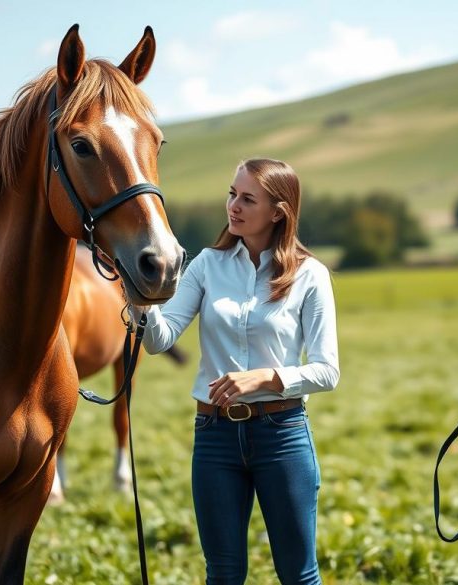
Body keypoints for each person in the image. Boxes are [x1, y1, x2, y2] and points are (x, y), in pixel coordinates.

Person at [131, 158, 339, 584]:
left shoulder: (310, 275)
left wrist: (265, 377)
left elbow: (327, 370)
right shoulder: (207, 264)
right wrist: (138, 294)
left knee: (298, 575)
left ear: (278, 211)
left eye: (247, 198)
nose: (234, 206)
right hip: (214, 438)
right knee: (223, 574)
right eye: (232, 194)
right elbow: (160, 339)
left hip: (281, 434)